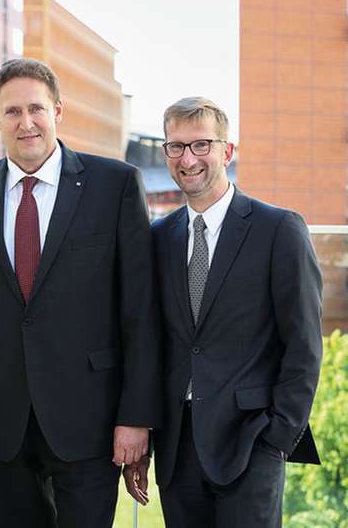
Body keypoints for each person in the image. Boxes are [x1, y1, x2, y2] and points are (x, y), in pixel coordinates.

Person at [0, 57, 162, 527]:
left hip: (93, 420)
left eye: (36, 109)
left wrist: (136, 415)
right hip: (1, 420)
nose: (26, 123)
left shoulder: (115, 185)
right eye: (13, 112)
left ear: (58, 111)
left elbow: (140, 311)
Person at [122, 97, 322, 528]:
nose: (187, 158)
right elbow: (150, 344)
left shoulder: (278, 230)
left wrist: (279, 437)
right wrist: (147, 441)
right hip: (178, 446)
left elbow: (304, 343)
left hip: (251, 440)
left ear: (226, 152)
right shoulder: (157, 239)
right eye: (176, 146)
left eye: (201, 145)